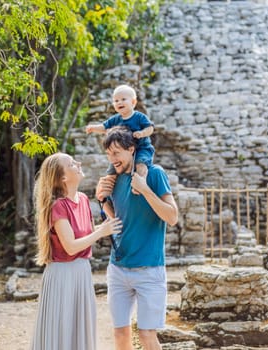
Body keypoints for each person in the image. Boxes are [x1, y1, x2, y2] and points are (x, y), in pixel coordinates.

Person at [95, 126, 179, 350]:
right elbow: (118, 221)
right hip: (118, 269)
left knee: (146, 336)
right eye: (109, 154)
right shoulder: (113, 178)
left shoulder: (154, 174)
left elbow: (172, 217)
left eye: (116, 153)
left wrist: (145, 189)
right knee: (120, 335)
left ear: (131, 149)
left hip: (149, 270)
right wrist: (102, 199)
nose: (112, 159)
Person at [31, 152, 122, 350]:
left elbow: (86, 235)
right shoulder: (58, 206)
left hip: (81, 272)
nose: (78, 163)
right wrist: (102, 232)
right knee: (62, 330)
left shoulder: (82, 200)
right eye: (72, 163)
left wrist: (109, 226)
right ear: (63, 178)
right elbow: (71, 246)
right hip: (62, 275)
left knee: (78, 330)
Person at [86, 84, 155, 199]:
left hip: (141, 148)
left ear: (133, 102)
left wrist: (142, 133)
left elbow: (150, 128)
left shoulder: (139, 117)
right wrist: (93, 128)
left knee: (140, 165)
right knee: (111, 171)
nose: (119, 102)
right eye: (116, 100)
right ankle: (107, 192)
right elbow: (104, 127)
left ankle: (140, 184)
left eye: (123, 99)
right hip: (122, 153)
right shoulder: (116, 119)